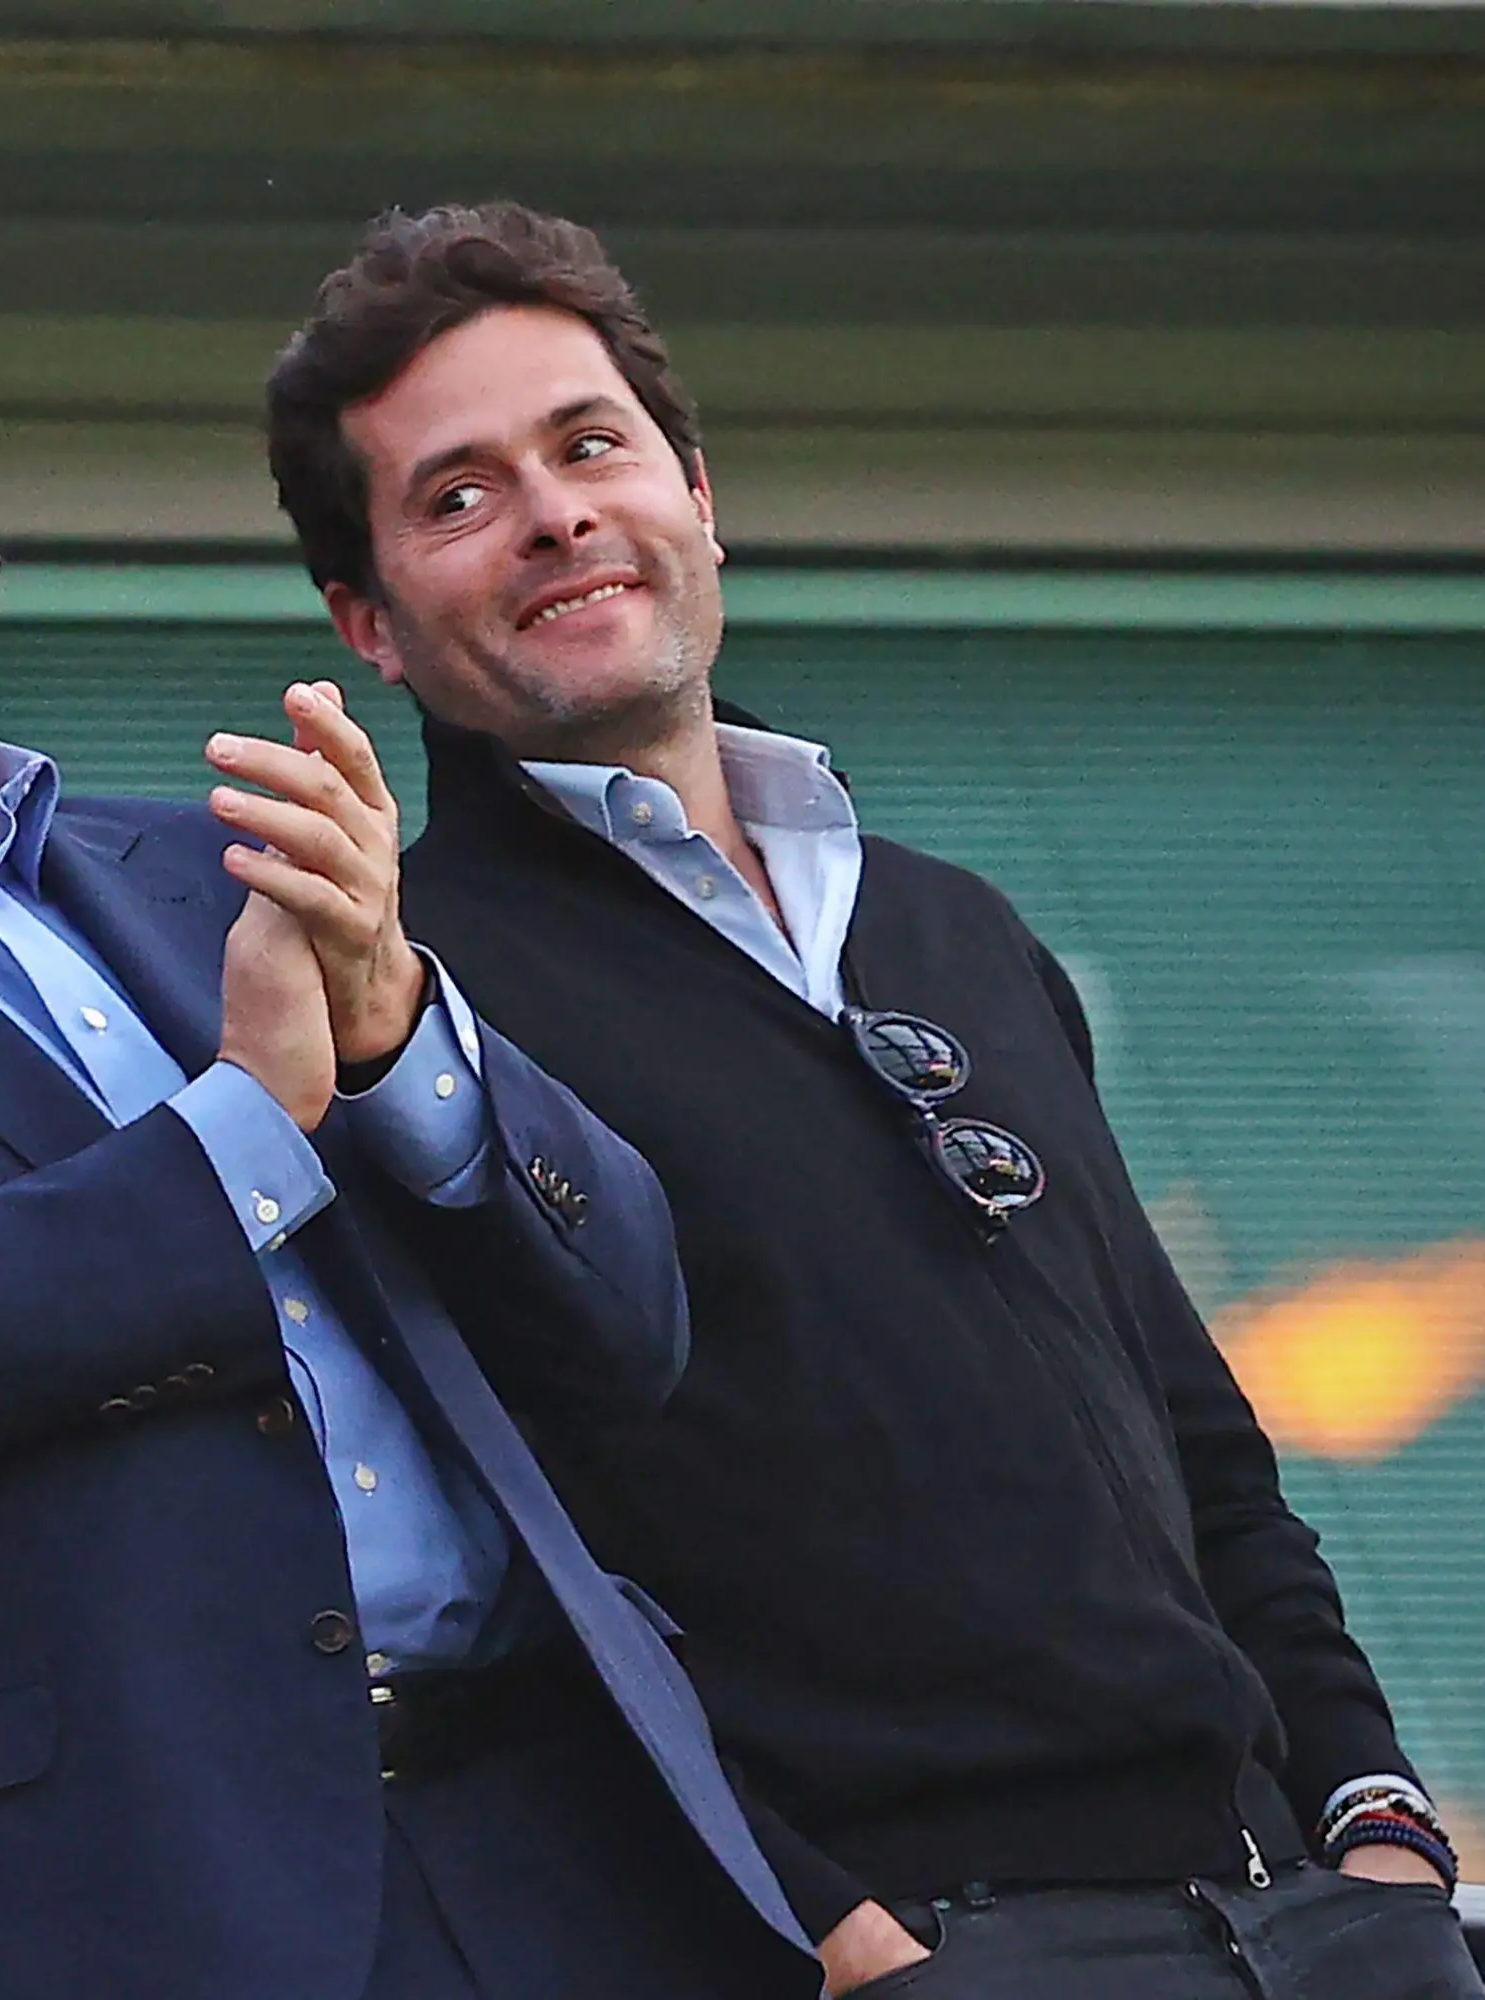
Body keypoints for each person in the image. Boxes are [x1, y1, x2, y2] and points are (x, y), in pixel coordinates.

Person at [0, 265, 817, 2000]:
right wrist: (243, 1136)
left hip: (576, 1840)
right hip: (114, 1907)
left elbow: (631, 1321)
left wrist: (395, 1041)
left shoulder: (219, 866)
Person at [264, 200, 1484, 2000]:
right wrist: (824, 1921)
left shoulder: (951, 923)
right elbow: (515, 1544)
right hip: (913, 1951)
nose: (555, 511)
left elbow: (1199, 1442)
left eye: (591, 445)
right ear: (367, 620)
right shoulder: (398, 998)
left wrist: (1375, 1823)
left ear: (699, 491)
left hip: (1307, 1918)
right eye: (458, 494)